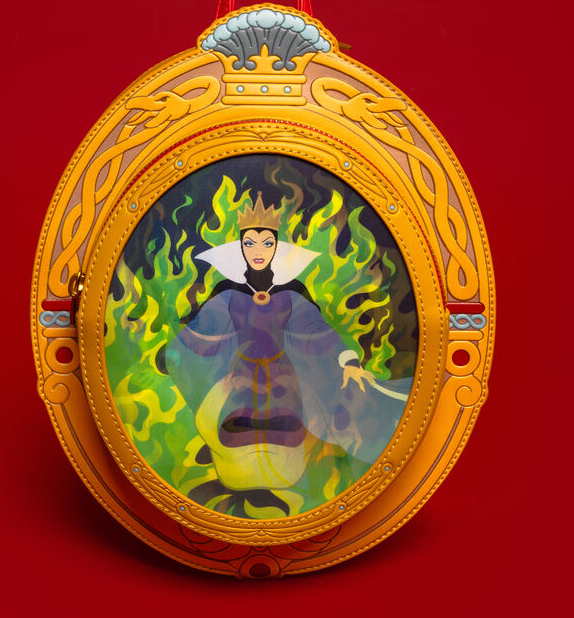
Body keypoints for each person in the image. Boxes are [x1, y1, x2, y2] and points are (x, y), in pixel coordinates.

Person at [165, 192, 411, 503]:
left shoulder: (292, 292)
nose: (258, 251)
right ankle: (229, 464)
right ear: (241, 247)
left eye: (266, 243)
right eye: (250, 243)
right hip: (239, 375)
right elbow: (204, 330)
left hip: (283, 375)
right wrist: (179, 347)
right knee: (233, 422)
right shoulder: (227, 291)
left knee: (286, 425)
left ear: (276, 247)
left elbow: (317, 330)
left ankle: (288, 476)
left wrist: (349, 362)